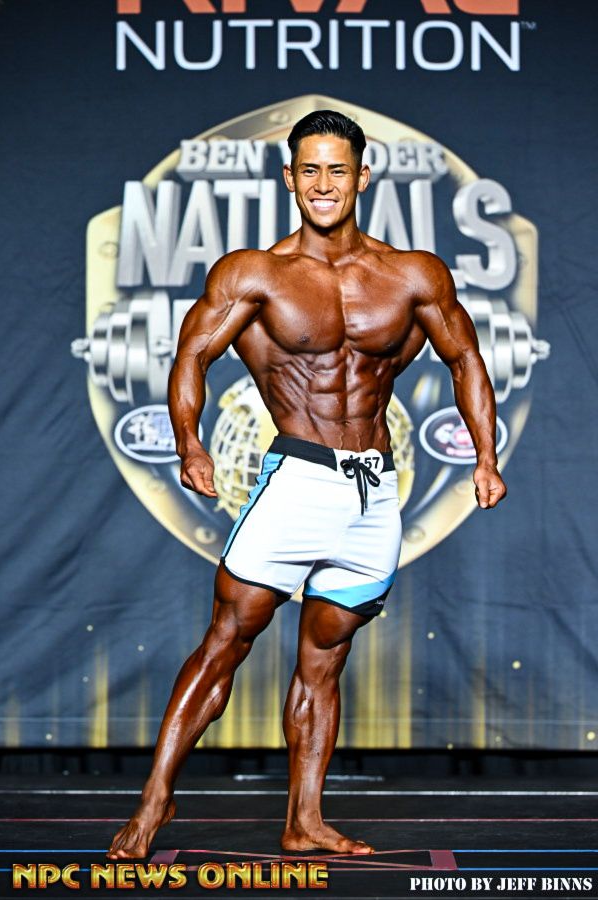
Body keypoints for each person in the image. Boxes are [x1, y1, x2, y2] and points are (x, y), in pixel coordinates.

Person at [107, 110, 506, 859]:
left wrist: (485, 456)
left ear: (363, 176)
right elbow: (192, 355)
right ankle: (155, 800)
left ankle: (304, 821)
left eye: (338, 170)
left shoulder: (414, 274)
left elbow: (465, 359)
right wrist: (190, 443)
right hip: (296, 481)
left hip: (373, 495)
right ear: (290, 178)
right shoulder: (253, 274)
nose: (324, 184)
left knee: (325, 660)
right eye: (310, 170)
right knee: (228, 640)